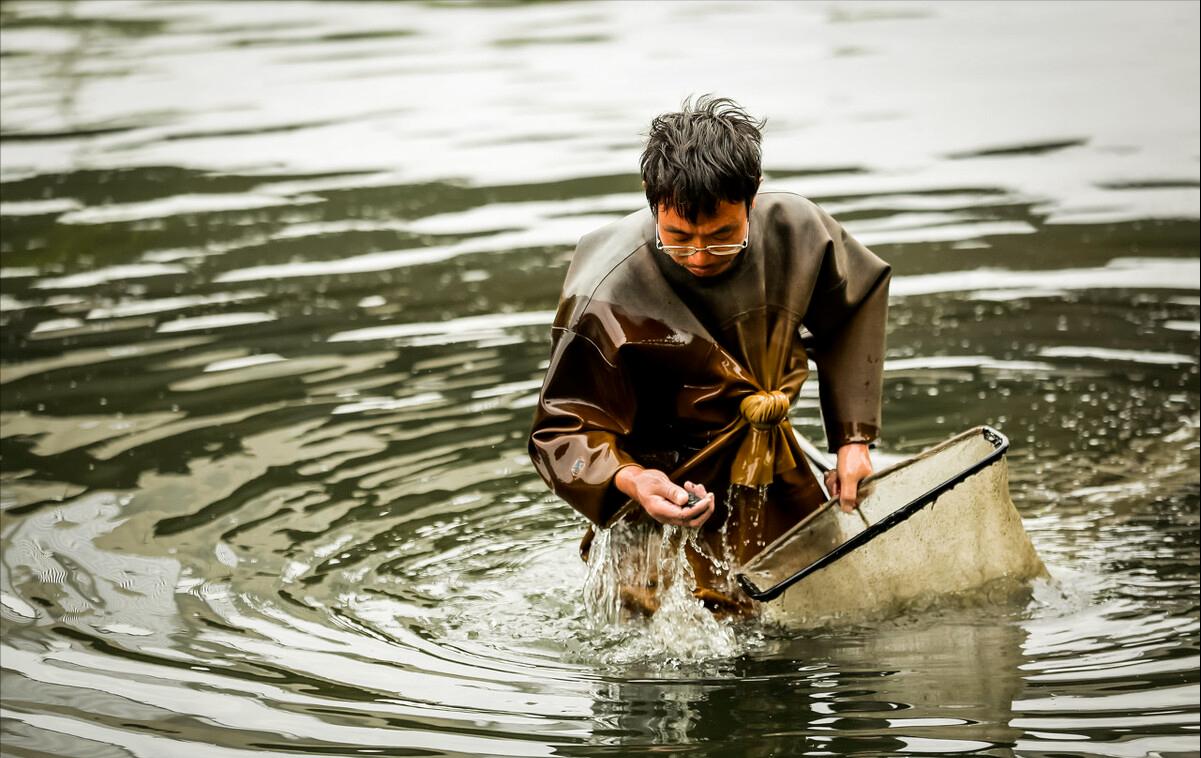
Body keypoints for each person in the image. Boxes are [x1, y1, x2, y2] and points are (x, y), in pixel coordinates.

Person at [528, 95, 891, 615]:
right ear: (653, 203)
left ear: (753, 197)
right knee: (646, 626)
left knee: (812, 602)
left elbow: (853, 308)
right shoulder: (603, 291)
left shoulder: (799, 230)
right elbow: (562, 429)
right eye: (678, 238)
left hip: (768, 457)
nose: (699, 256)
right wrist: (633, 480)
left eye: (722, 237)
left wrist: (853, 441)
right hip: (665, 483)